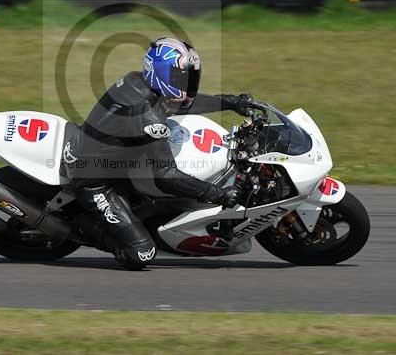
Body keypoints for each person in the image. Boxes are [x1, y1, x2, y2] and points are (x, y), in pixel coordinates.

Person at [62, 37, 260, 270]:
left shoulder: (139, 81)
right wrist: (218, 194)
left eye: (190, 77)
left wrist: (230, 102)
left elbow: (183, 104)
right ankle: (81, 226)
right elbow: (166, 176)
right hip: (94, 180)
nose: (187, 84)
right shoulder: (147, 116)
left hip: (119, 163)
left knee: (164, 201)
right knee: (141, 254)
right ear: (162, 74)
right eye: (180, 77)